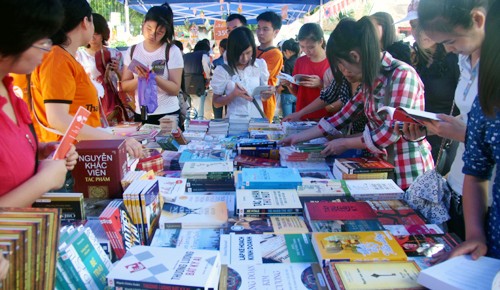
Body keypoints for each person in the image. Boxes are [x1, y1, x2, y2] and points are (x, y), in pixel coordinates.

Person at [282, 17, 433, 190]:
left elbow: (389, 132)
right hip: (381, 168)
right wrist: (297, 138)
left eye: (341, 65)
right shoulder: (371, 79)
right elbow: (343, 115)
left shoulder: (401, 75)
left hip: (406, 172)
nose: (343, 72)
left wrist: (345, 143)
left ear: (355, 56)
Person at [406, 0, 491, 240]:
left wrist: (462, 134)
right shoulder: (465, 60)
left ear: (477, 20)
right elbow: (467, 118)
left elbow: (481, 132)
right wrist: (435, 128)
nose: (449, 50)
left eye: (451, 41)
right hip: (461, 186)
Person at [29, 0, 142, 158]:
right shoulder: (56, 58)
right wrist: (114, 139)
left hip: (80, 153)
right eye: (92, 21)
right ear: (85, 22)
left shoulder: (65, 58)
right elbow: (57, 119)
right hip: (69, 156)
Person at [0, 0, 78, 206]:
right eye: (43, 40)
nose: (47, 50)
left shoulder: (8, 87)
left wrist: (39, 150)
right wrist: (44, 180)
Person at [446, 0, 500, 261]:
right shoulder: (487, 94)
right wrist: (475, 234)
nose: (448, 49)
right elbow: (477, 169)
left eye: (450, 40)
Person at [397, 0, 460, 176]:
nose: (418, 31)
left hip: (448, 145)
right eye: (413, 24)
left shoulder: (456, 59)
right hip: (419, 142)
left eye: (423, 24)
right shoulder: (415, 59)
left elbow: (464, 111)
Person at [121, 4, 184, 125]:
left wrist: (154, 77)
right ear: (143, 23)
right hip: (141, 113)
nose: (152, 35)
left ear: (166, 31)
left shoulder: (172, 51)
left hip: (167, 114)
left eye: (159, 32)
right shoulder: (133, 51)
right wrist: (140, 78)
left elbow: (175, 89)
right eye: (149, 29)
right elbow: (124, 86)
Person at [76, 13, 131, 126]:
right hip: (91, 101)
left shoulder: (115, 53)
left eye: (96, 34)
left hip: (113, 102)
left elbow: (124, 81)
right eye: (91, 34)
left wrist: (117, 71)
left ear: (103, 34)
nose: (93, 38)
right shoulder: (79, 55)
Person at [211, 26, 270, 118]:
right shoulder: (222, 70)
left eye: (248, 52)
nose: (245, 58)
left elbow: (263, 97)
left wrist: (267, 94)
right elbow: (216, 103)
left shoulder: (260, 65)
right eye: (240, 54)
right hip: (235, 123)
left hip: (257, 123)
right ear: (232, 51)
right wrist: (233, 95)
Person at [281, 23, 330, 121]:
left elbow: (338, 94)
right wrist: (289, 85)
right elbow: (297, 93)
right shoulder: (300, 61)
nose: (306, 51)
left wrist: (321, 84)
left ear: (321, 41)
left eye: (311, 47)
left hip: (325, 117)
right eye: (302, 47)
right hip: (302, 116)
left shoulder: (331, 62)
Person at [256, 11, 283, 121]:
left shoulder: (275, 54)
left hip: (264, 104)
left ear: (276, 32)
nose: (260, 32)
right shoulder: (253, 50)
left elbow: (259, 76)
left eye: (265, 29)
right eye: (258, 28)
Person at [183, 40, 211, 119]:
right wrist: (208, 79)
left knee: (188, 108)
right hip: (199, 84)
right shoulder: (204, 54)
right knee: (200, 109)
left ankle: (188, 124)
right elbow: (206, 68)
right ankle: (199, 123)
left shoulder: (185, 56)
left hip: (185, 85)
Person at [279, 38, 299, 117]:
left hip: (287, 93)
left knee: (288, 119)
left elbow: (287, 78)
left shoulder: (288, 62)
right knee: (296, 119)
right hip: (298, 93)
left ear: (287, 51)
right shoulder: (299, 60)